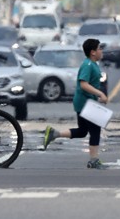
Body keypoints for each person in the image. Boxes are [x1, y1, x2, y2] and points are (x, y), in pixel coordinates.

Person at [42, 38, 108, 169]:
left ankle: (54, 134)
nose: (102, 51)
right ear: (93, 52)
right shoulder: (88, 65)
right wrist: (100, 93)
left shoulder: (93, 64)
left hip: (85, 102)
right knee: (95, 130)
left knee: (83, 131)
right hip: (85, 102)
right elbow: (83, 84)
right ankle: (93, 160)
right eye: (99, 48)